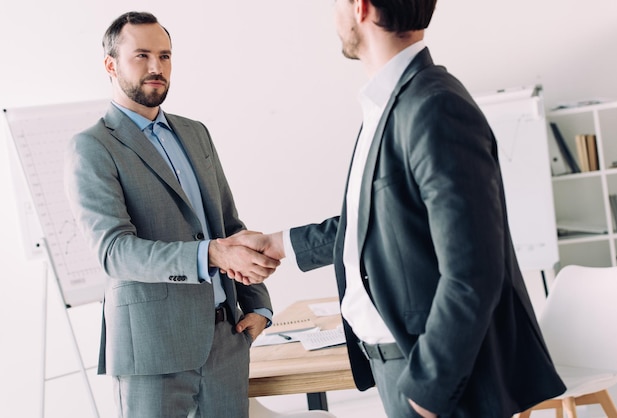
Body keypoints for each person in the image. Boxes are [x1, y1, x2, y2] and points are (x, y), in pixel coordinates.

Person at [221, 1, 566, 417]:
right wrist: (280, 244)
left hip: (434, 382)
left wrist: (427, 393)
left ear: (361, 8)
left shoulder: (434, 107)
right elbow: (379, 222)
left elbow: (474, 271)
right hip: (399, 366)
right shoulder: (392, 104)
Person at [64, 11, 279, 418]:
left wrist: (259, 306)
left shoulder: (195, 132)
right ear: (111, 65)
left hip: (226, 340)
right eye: (141, 56)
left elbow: (229, 226)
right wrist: (211, 255)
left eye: (164, 56)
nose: (156, 68)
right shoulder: (92, 147)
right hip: (151, 350)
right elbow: (115, 252)